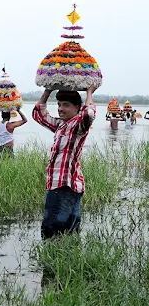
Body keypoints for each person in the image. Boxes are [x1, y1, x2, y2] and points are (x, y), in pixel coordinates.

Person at [32, 87, 96, 240]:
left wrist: (89, 92)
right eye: (59, 104)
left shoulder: (78, 126)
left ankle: (50, 260)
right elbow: (38, 114)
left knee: (51, 229)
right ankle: (68, 261)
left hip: (63, 185)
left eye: (66, 105)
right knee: (69, 232)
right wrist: (48, 90)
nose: (61, 109)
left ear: (77, 108)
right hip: (67, 185)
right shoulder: (61, 125)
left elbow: (88, 114)